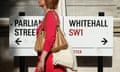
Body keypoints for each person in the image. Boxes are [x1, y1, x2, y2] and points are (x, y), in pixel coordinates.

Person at [35, 0, 66, 72]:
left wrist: (42, 59)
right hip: (48, 60)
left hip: (50, 62)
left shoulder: (50, 15)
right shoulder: (50, 15)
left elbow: (50, 38)